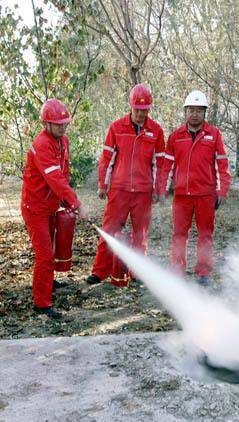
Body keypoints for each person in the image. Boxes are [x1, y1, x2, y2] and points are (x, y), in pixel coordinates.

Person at [86, 84, 165, 284]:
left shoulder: (156, 131)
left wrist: (158, 190)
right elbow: (107, 159)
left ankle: (137, 272)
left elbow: (160, 164)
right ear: (130, 106)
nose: (140, 113)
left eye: (144, 110)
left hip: (143, 193)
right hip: (119, 190)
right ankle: (100, 271)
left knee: (140, 235)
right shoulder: (116, 128)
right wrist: (103, 185)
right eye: (137, 109)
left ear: (149, 109)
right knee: (109, 230)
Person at [21, 99, 88, 319]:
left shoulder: (63, 141)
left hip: (50, 206)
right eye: (58, 124)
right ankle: (42, 303)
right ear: (45, 124)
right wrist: (76, 202)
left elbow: (64, 174)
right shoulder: (41, 144)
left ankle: (47, 282)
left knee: (50, 248)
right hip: (35, 208)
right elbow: (55, 179)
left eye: (65, 124)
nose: (62, 127)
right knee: (44, 255)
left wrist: (67, 202)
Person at [156, 90, 231, 285]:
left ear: (204, 113)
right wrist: (163, 189)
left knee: (205, 235)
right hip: (182, 196)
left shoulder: (214, 135)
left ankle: (203, 272)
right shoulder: (175, 136)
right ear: (185, 112)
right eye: (191, 110)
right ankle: (177, 270)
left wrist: (222, 191)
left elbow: (222, 165)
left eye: (199, 110)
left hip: (206, 195)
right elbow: (167, 167)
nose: (195, 114)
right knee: (179, 235)